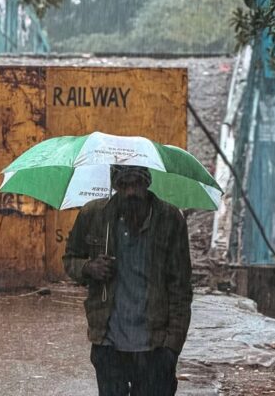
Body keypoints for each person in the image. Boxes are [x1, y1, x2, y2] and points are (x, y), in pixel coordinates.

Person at [63, 165, 192, 396]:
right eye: (124, 185)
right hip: (109, 343)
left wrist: (172, 346)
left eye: (136, 184)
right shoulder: (94, 215)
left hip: (154, 346)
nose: (131, 192)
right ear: (115, 186)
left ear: (147, 183)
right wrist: (89, 267)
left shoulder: (170, 219)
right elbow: (70, 259)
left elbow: (181, 287)